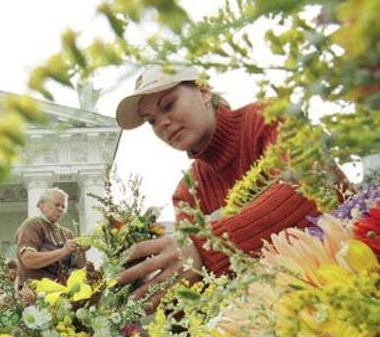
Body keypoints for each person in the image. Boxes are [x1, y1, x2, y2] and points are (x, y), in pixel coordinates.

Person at [114, 65, 348, 309]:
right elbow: (202, 288)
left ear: (204, 91)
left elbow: (309, 187)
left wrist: (206, 246)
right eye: (151, 121)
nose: (162, 123)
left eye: (168, 105)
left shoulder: (269, 117)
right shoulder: (186, 192)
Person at [15, 187, 87, 285]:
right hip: (37, 293)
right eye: (57, 204)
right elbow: (29, 259)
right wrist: (63, 251)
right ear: (41, 204)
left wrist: (80, 251)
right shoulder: (32, 226)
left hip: (63, 292)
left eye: (63, 206)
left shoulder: (67, 233)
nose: (61, 209)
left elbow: (79, 266)